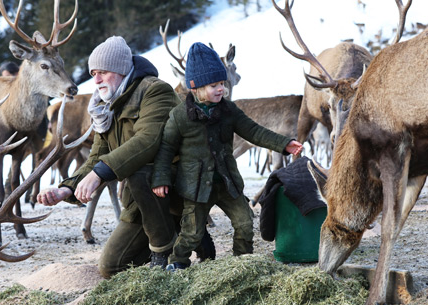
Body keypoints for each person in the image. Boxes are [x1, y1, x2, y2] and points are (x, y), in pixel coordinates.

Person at [151, 42, 303, 271]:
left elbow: (254, 131)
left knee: (244, 223)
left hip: (227, 182)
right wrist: (160, 179)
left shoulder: (229, 110)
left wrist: (284, 144)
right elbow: (165, 149)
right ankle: (177, 264)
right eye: (214, 85)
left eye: (222, 83)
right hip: (196, 186)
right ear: (195, 87)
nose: (222, 88)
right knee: (192, 231)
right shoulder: (179, 116)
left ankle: (241, 264)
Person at [37, 36, 181, 277]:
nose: (96, 79)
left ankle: (164, 251)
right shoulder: (106, 107)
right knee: (111, 268)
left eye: (102, 71)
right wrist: (67, 189)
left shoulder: (156, 91)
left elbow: (147, 142)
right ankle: (171, 235)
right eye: (93, 73)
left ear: (121, 69)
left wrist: (98, 174)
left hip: (172, 189)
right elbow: (97, 156)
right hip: (142, 200)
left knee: (138, 170)